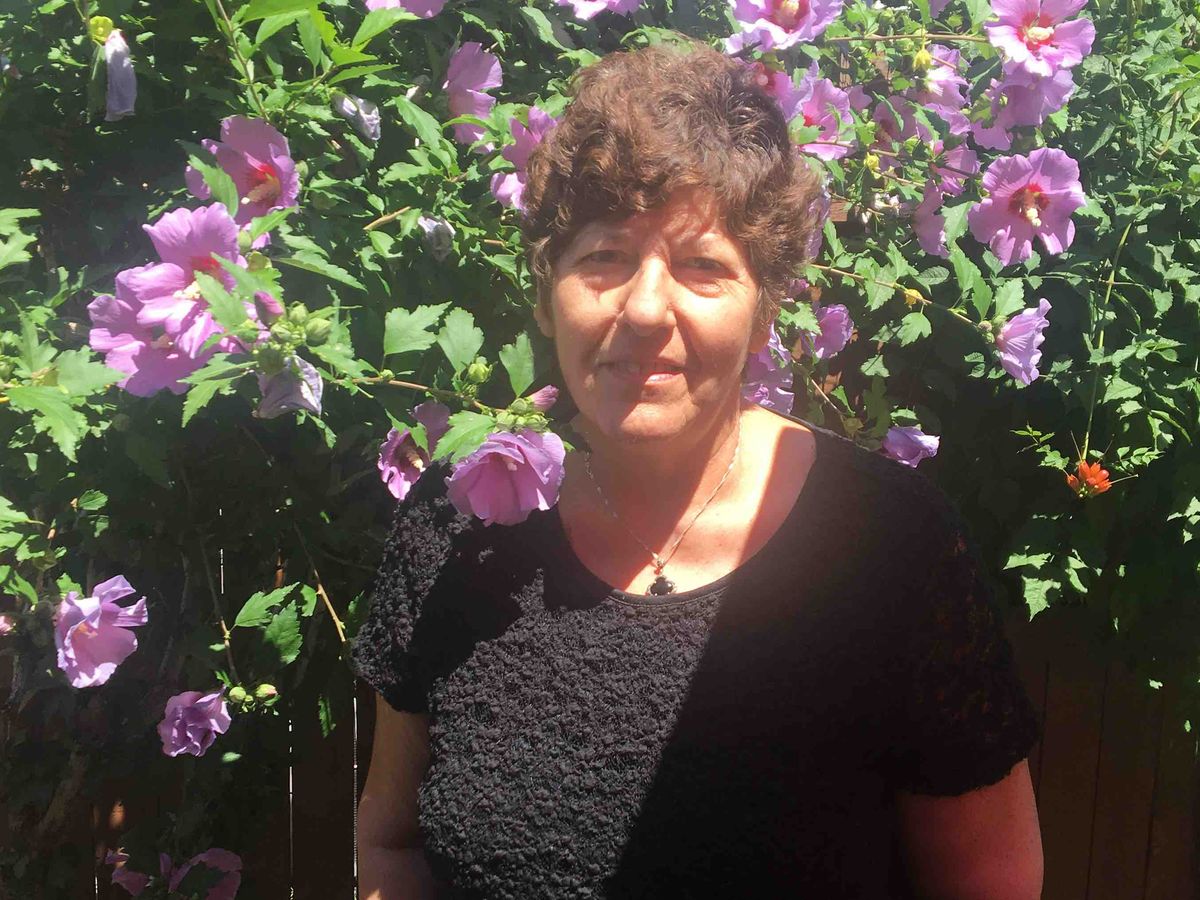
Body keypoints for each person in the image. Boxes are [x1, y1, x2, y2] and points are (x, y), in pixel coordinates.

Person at [353, 38, 1043, 899]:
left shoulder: (890, 546)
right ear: (545, 294)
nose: (645, 308)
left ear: (765, 315)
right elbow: (390, 844)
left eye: (703, 265)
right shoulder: (457, 523)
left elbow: (990, 882)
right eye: (603, 257)